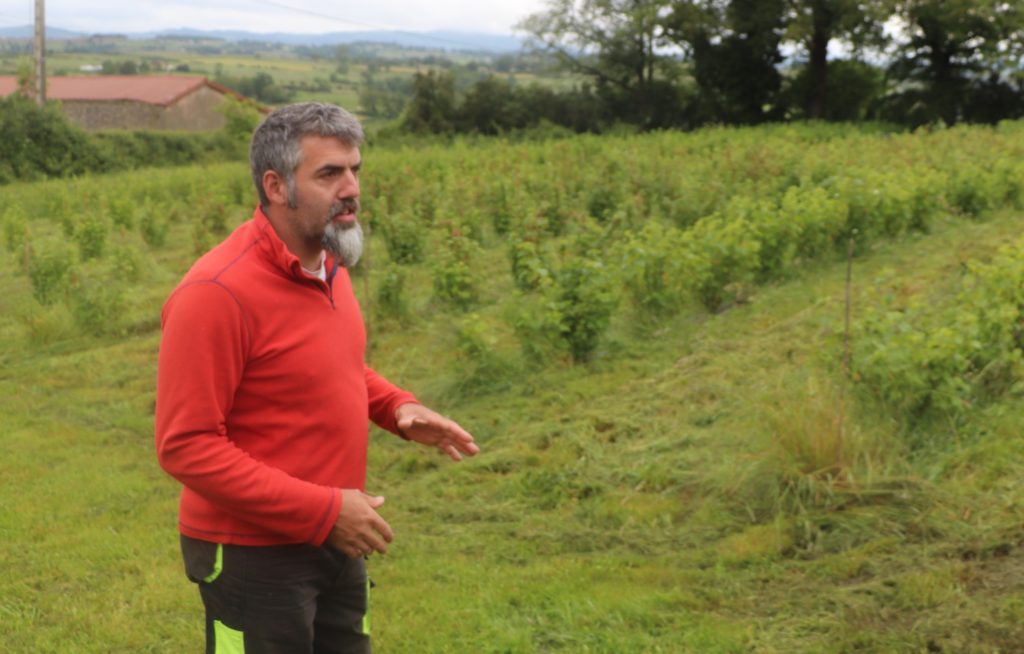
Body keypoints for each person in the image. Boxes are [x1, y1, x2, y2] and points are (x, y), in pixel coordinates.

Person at [155, 102, 479, 654]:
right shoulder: (216, 293)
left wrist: (396, 407)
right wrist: (325, 511)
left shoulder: (328, 264)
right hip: (253, 552)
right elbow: (185, 447)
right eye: (329, 173)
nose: (351, 187)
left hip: (338, 535)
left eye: (355, 170)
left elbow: (331, 366)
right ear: (277, 186)